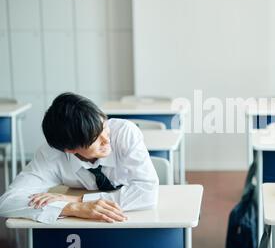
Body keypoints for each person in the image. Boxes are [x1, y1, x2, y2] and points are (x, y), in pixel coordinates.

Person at [0, 93, 159, 224]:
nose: (106, 139)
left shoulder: (124, 133)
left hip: (132, 219)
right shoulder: (51, 154)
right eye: (95, 138)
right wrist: (72, 208)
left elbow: (147, 193)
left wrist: (79, 199)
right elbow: (8, 202)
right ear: (70, 149)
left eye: (104, 127)